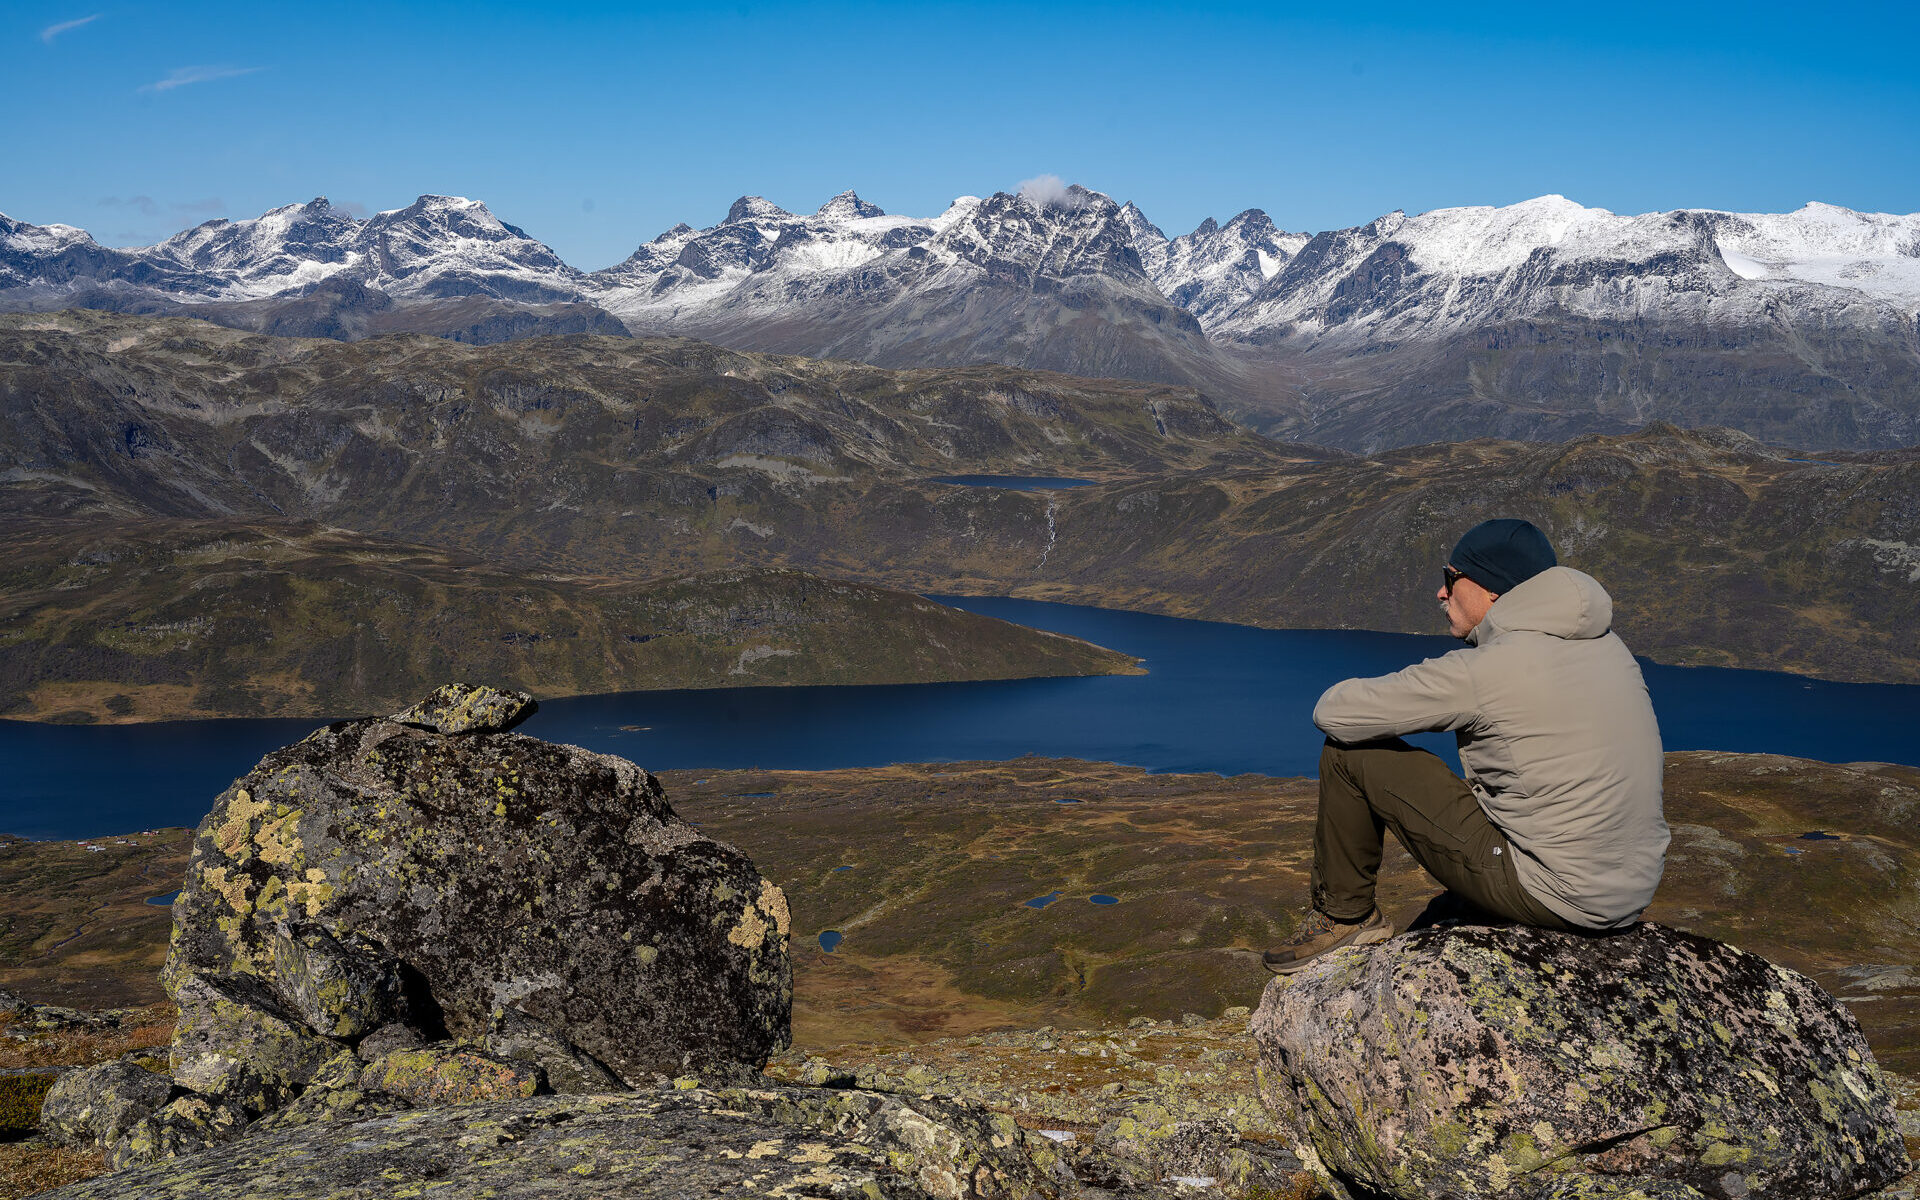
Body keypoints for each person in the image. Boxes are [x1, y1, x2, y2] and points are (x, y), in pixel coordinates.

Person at [1263, 518, 1668, 975]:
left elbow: (1334, 712)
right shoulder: (1610, 648)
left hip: (1558, 896)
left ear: (1492, 590)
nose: (1441, 594)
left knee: (1348, 753)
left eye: (1450, 579)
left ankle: (1344, 917)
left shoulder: (1486, 671)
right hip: (1631, 889)